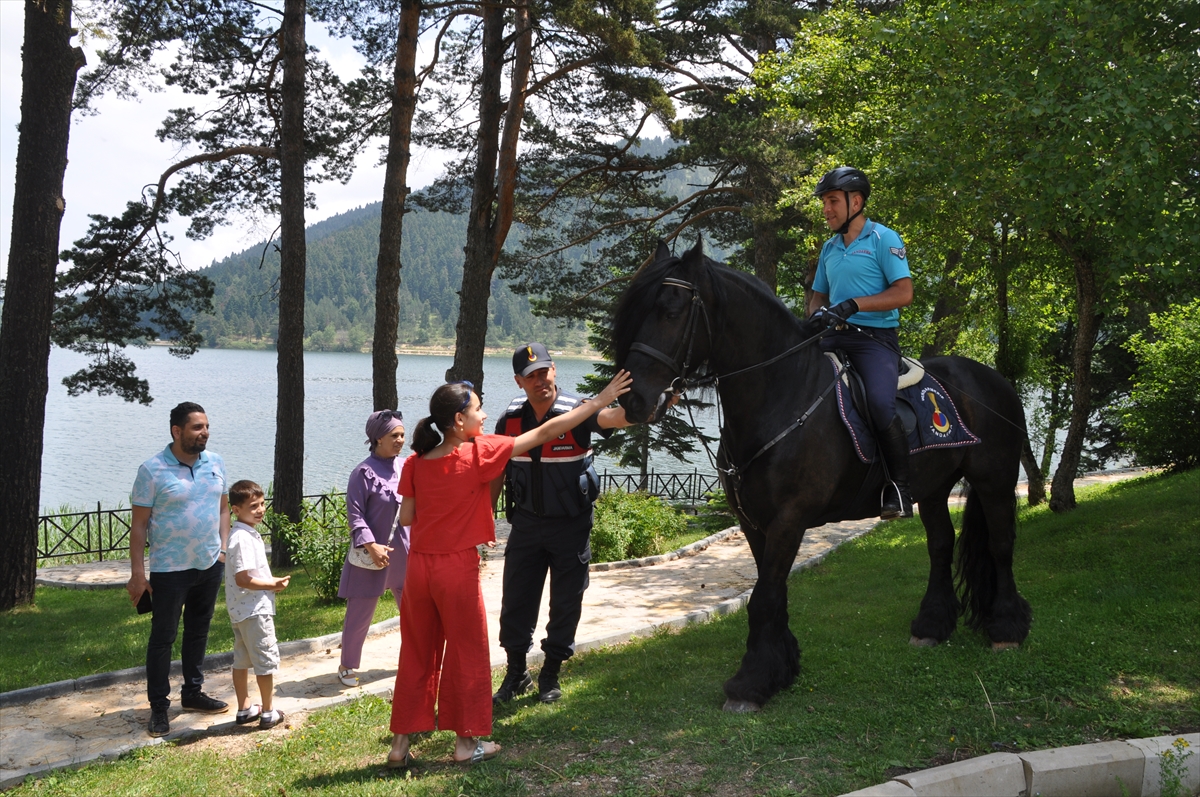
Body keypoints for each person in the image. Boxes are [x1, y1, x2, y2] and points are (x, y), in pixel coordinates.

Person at [386, 370, 632, 768]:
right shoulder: (478, 452)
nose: (484, 417)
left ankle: (399, 746)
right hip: (455, 568)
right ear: (458, 421)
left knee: (415, 652)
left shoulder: (415, 462)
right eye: (478, 410)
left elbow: (409, 517)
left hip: (419, 570)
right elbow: (549, 430)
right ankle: (466, 745)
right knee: (466, 652)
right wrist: (600, 399)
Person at [491, 342, 633, 706]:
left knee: (566, 601)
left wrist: (652, 404)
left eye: (545, 372)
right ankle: (516, 672)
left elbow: (616, 418)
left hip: (570, 527)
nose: (541, 381)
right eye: (531, 376)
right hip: (525, 526)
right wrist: (485, 516)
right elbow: (495, 470)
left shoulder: (580, 411)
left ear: (555, 371)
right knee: (517, 601)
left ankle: (550, 673)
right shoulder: (509, 421)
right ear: (519, 382)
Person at [807, 166, 915, 519]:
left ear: (857, 201)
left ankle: (899, 488)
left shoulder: (885, 239)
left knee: (881, 406)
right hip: (832, 337)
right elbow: (818, 295)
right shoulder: (829, 248)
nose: (826, 209)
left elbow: (904, 293)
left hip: (874, 340)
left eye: (833, 201)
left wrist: (855, 305)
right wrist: (815, 318)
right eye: (824, 202)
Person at [126, 401, 231, 738]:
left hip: (208, 564)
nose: (205, 433)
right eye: (197, 427)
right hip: (170, 570)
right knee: (163, 638)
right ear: (177, 431)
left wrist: (224, 549)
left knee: (198, 632)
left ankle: (193, 693)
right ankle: (159, 707)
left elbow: (224, 508)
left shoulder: (215, 463)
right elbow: (139, 526)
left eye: (206, 426)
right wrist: (138, 574)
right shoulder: (152, 470)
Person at [336, 409, 410, 687]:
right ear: (378, 438)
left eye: (403, 434)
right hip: (374, 556)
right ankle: (347, 665)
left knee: (414, 611)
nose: (401, 440)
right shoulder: (362, 473)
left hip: (405, 554)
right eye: (395, 435)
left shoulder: (405, 466)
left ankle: (415, 659)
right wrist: (371, 547)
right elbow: (355, 516)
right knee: (360, 613)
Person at [224, 479, 290, 730]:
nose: (260, 510)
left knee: (241, 660)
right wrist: (271, 585)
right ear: (236, 510)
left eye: (262, 504)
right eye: (253, 506)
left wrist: (270, 581)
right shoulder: (242, 538)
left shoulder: (243, 533)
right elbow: (244, 578)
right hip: (254, 610)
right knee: (264, 661)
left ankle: (245, 708)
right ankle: (268, 711)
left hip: (242, 609)